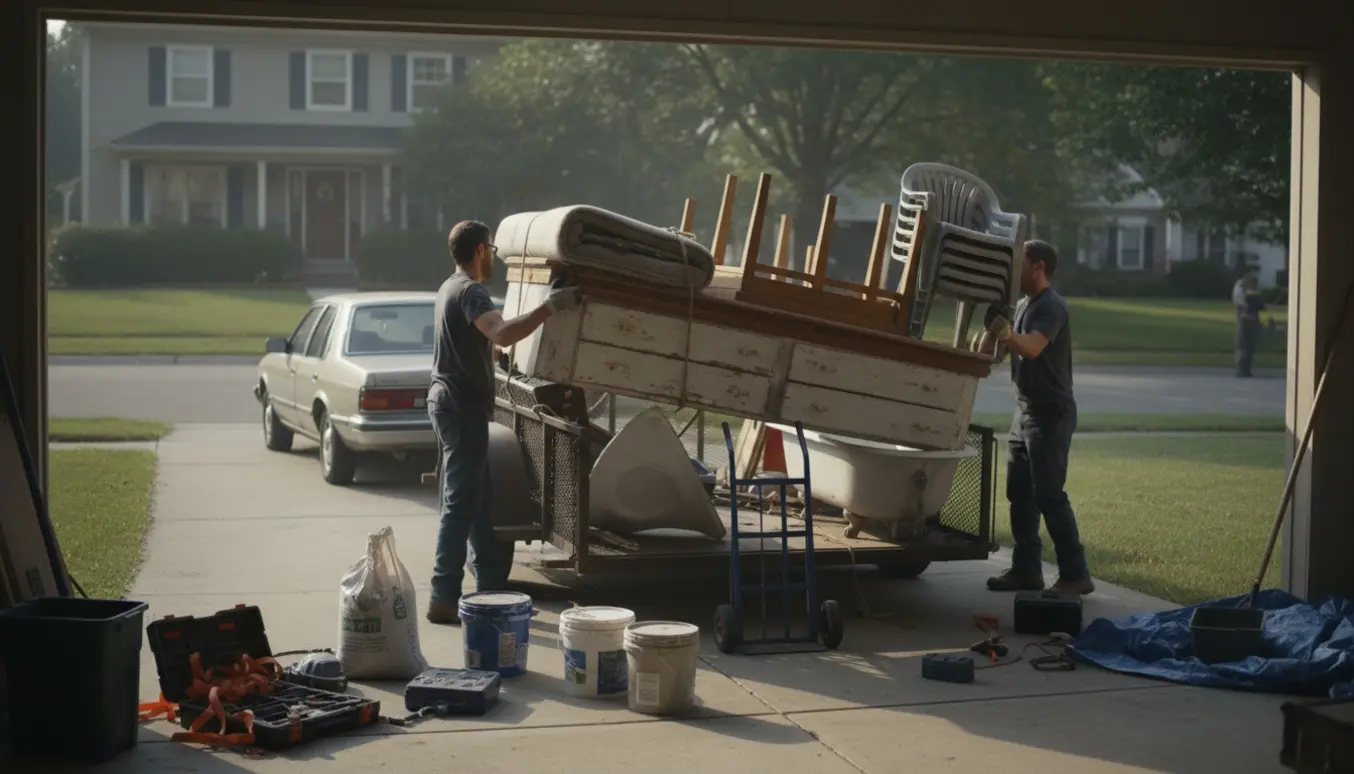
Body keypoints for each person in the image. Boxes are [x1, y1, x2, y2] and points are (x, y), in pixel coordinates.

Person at [425, 220, 583, 625]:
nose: (492, 256)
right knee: (461, 503)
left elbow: (483, 345)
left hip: (452, 403)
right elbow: (502, 333)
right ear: (480, 250)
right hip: (460, 408)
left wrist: (495, 358)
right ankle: (443, 596)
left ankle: (491, 590)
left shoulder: (448, 287)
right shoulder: (470, 290)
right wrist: (551, 306)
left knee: (481, 501)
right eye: (491, 250)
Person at [982, 240, 1094, 595]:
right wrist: (993, 332)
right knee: (1020, 495)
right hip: (1024, 411)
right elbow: (1003, 351)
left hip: (1051, 413)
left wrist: (1006, 333)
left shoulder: (1052, 307)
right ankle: (1026, 571)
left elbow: (1031, 347)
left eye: (1020, 263)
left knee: (1049, 495)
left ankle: (1076, 575)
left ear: (1039, 267)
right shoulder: (1022, 305)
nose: (1013, 271)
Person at [1234, 269, 1266, 378]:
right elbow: (1261, 307)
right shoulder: (1252, 294)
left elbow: (1240, 304)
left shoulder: (1242, 291)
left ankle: (1243, 369)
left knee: (1244, 347)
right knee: (1248, 347)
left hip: (1245, 320)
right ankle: (1244, 369)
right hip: (1251, 321)